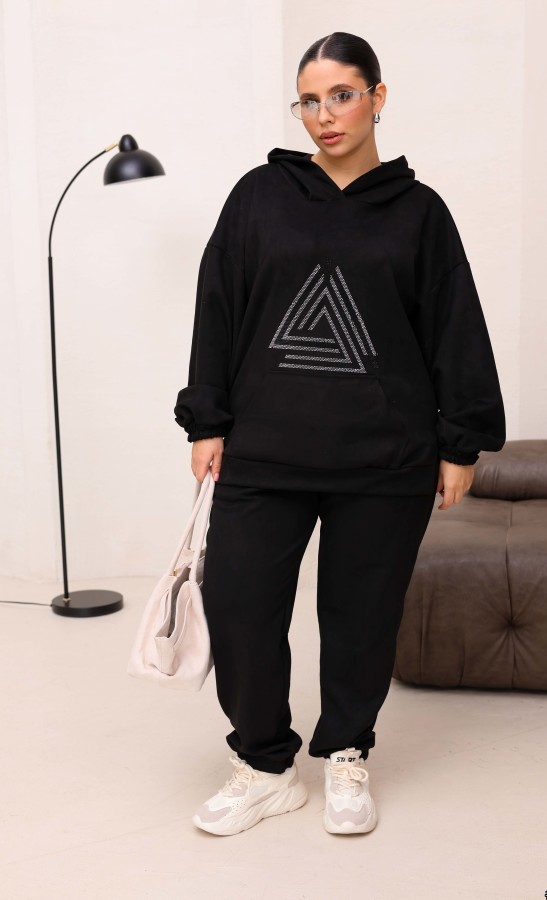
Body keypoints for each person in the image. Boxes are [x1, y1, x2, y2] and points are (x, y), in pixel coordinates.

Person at [174, 32, 506, 837]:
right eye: (310, 101)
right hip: (265, 448)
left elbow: (453, 324)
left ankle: (347, 752)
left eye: (343, 95)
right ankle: (264, 765)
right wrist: (206, 417)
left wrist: (460, 441)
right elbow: (218, 303)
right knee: (240, 606)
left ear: (378, 98)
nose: (325, 115)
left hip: (385, 458)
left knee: (362, 619)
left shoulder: (420, 214)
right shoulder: (259, 196)